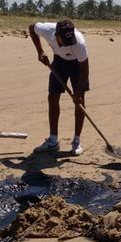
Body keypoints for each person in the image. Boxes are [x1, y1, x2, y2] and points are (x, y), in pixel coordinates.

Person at [28, 19, 90, 156]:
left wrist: (78, 93)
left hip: (77, 66)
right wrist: (40, 51)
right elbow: (31, 28)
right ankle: (53, 140)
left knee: (80, 101)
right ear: (57, 35)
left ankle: (76, 140)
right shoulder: (47, 30)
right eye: (65, 42)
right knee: (53, 97)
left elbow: (85, 69)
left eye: (71, 41)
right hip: (59, 63)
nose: (69, 45)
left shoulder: (79, 43)